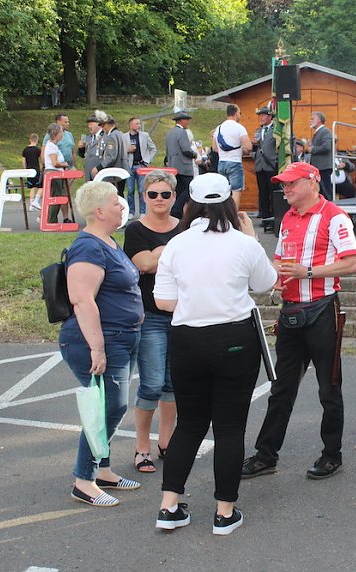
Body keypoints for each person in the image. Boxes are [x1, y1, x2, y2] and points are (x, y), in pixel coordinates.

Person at [154, 173, 277, 535]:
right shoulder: (243, 243)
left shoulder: (177, 244)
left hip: (187, 339)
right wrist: (253, 238)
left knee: (189, 424)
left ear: (189, 205)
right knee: (229, 427)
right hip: (234, 338)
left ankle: (169, 506)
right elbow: (265, 283)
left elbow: (164, 301)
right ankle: (224, 513)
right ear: (229, 203)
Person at [242, 162, 356, 481]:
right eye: (284, 184)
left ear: (313, 182)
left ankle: (331, 454)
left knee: (329, 387)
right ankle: (266, 455)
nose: (286, 189)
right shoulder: (288, 219)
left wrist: (307, 272)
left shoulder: (334, 215)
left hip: (322, 308)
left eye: (292, 183)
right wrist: (277, 277)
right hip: (292, 309)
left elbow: (352, 262)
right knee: (281, 387)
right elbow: (280, 260)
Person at [60, 180, 143, 507]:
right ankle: (84, 480)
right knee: (106, 408)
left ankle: (103, 468)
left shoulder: (108, 241)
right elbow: (82, 299)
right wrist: (97, 347)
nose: (122, 206)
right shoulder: (88, 247)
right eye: (116, 203)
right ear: (98, 210)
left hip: (122, 337)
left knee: (112, 405)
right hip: (100, 340)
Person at [123, 170, 180, 474]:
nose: (159, 199)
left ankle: (167, 442)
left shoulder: (183, 226)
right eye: (153, 194)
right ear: (144, 196)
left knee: (173, 385)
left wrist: (159, 254)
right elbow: (142, 263)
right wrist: (166, 253)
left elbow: (188, 264)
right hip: (150, 317)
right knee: (152, 384)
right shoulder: (135, 229)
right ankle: (142, 446)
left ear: (174, 196)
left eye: (165, 194)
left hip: (182, 316)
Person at [213, 104, 252, 209]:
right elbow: (248, 146)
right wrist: (242, 150)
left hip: (221, 163)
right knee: (236, 191)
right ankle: (233, 216)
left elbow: (215, 148)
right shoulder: (239, 128)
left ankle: (223, 215)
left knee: (223, 192)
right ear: (236, 113)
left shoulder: (218, 128)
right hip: (235, 163)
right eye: (239, 113)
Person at [165, 111, 197, 218]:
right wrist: (194, 154)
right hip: (184, 166)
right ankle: (177, 210)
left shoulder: (170, 132)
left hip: (173, 166)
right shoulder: (182, 132)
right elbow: (186, 149)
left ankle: (178, 212)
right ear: (182, 120)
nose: (187, 122)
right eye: (186, 119)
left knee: (178, 189)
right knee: (188, 188)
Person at [125, 117, 157, 218]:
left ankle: (143, 212)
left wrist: (147, 160)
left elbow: (153, 148)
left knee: (142, 190)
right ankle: (131, 212)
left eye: (139, 124)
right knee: (130, 190)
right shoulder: (124, 136)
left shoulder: (145, 135)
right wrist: (128, 150)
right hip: (129, 166)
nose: (139, 125)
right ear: (131, 125)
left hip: (141, 166)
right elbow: (120, 151)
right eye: (136, 124)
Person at [44, 123, 73, 224]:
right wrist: (64, 164)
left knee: (58, 196)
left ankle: (52, 220)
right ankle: (51, 221)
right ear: (56, 133)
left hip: (57, 174)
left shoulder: (53, 146)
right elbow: (54, 163)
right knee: (56, 197)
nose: (62, 134)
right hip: (54, 174)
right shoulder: (52, 146)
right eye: (61, 132)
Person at [96, 113, 130, 198]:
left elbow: (111, 156)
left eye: (103, 126)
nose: (102, 129)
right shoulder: (120, 134)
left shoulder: (112, 136)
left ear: (107, 125)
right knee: (120, 194)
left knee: (115, 196)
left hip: (115, 171)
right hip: (123, 169)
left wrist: (99, 167)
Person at [253, 106, 278, 219]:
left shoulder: (275, 130)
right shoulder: (258, 131)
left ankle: (273, 213)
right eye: (260, 116)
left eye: (263, 115)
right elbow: (255, 148)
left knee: (273, 190)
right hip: (260, 165)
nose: (261, 118)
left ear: (269, 117)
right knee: (262, 191)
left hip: (271, 164)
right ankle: (264, 213)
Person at [308, 111, 334, 199]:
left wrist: (313, 149)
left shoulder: (325, 131)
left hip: (323, 167)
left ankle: (329, 210)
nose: (310, 121)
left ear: (319, 120)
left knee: (326, 192)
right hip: (319, 168)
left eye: (312, 118)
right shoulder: (319, 132)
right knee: (321, 192)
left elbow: (327, 147)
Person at [77, 114, 104, 183]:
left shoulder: (105, 136)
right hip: (88, 172)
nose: (89, 126)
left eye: (91, 124)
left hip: (100, 172)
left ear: (99, 124)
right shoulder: (88, 137)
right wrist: (81, 148)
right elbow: (82, 155)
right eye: (88, 124)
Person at [22, 134, 43, 210]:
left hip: (29, 170)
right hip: (36, 169)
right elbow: (41, 160)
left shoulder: (25, 150)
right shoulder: (37, 150)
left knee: (32, 187)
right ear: (36, 140)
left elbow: (23, 161)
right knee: (41, 186)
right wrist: (41, 168)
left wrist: (25, 169)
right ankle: (36, 201)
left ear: (30, 139)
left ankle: (31, 204)